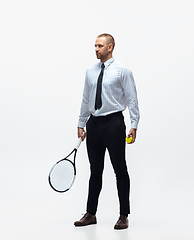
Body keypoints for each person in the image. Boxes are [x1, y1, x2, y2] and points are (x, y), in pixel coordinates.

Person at [74, 33, 140, 230]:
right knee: (95, 171)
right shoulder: (90, 71)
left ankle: (123, 215)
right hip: (94, 124)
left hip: (113, 124)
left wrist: (134, 124)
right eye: (95, 46)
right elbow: (86, 98)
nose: (96, 49)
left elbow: (132, 98)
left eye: (100, 46)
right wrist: (81, 122)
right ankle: (90, 213)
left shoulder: (122, 71)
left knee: (120, 169)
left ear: (110, 47)